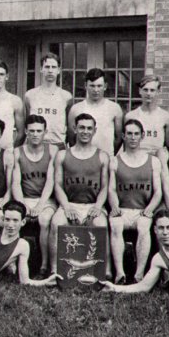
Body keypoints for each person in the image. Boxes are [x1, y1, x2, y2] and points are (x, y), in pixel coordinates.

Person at [49, 113, 111, 277]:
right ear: (75, 129)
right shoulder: (63, 155)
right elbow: (58, 185)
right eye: (82, 127)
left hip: (93, 204)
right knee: (56, 223)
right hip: (70, 203)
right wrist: (66, 206)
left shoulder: (102, 156)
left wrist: (98, 206)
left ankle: (107, 270)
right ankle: (54, 270)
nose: (85, 131)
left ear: (94, 130)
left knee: (101, 225)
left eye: (89, 128)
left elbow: (105, 187)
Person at [109, 119, 163, 282]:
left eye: (136, 134)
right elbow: (111, 189)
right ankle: (120, 273)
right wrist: (115, 206)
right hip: (123, 209)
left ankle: (139, 274)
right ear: (124, 136)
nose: (133, 137)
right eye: (129, 134)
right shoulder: (115, 160)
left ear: (142, 136)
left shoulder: (153, 161)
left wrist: (150, 208)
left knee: (144, 226)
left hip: (142, 210)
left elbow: (158, 191)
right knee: (116, 225)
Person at [12, 115, 58, 275]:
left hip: (45, 200)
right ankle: (12, 263)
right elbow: (15, 183)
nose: (35, 134)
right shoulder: (17, 152)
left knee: (44, 220)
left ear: (45, 132)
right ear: (25, 131)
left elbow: (50, 182)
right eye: (31, 131)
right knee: (14, 218)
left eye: (39, 131)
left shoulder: (52, 150)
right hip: (24, 198)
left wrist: (39, 205)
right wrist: (23, 205)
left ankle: (44, 265)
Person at [68, 68, 123, 155]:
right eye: (92, 86)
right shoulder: (76, 109)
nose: (96, 90)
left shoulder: (115, 108)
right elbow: (71, 138)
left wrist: (107, 154)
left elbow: (118, 138)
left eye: (99, 86)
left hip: (106, 158)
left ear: (105, 86)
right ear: (86, 85)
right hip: (83, 158)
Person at [24, 53, 72, 149]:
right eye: (47, 67)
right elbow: (27, 122)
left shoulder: (66, 96)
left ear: (58, 70)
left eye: (53, 67)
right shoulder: (30, 95)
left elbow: (70, 127)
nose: (50, 70)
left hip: (57, 144)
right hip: (35, 145)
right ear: (41, 69)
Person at [124, 75, 169, 155]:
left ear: (158, 91)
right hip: (137, 160)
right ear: (140, 91)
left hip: (157, 160)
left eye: (152, 90)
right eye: (145, 90)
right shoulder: (131, 116)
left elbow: (167, 146)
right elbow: (126, 147)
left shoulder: (166, 117)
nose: (148, 93)